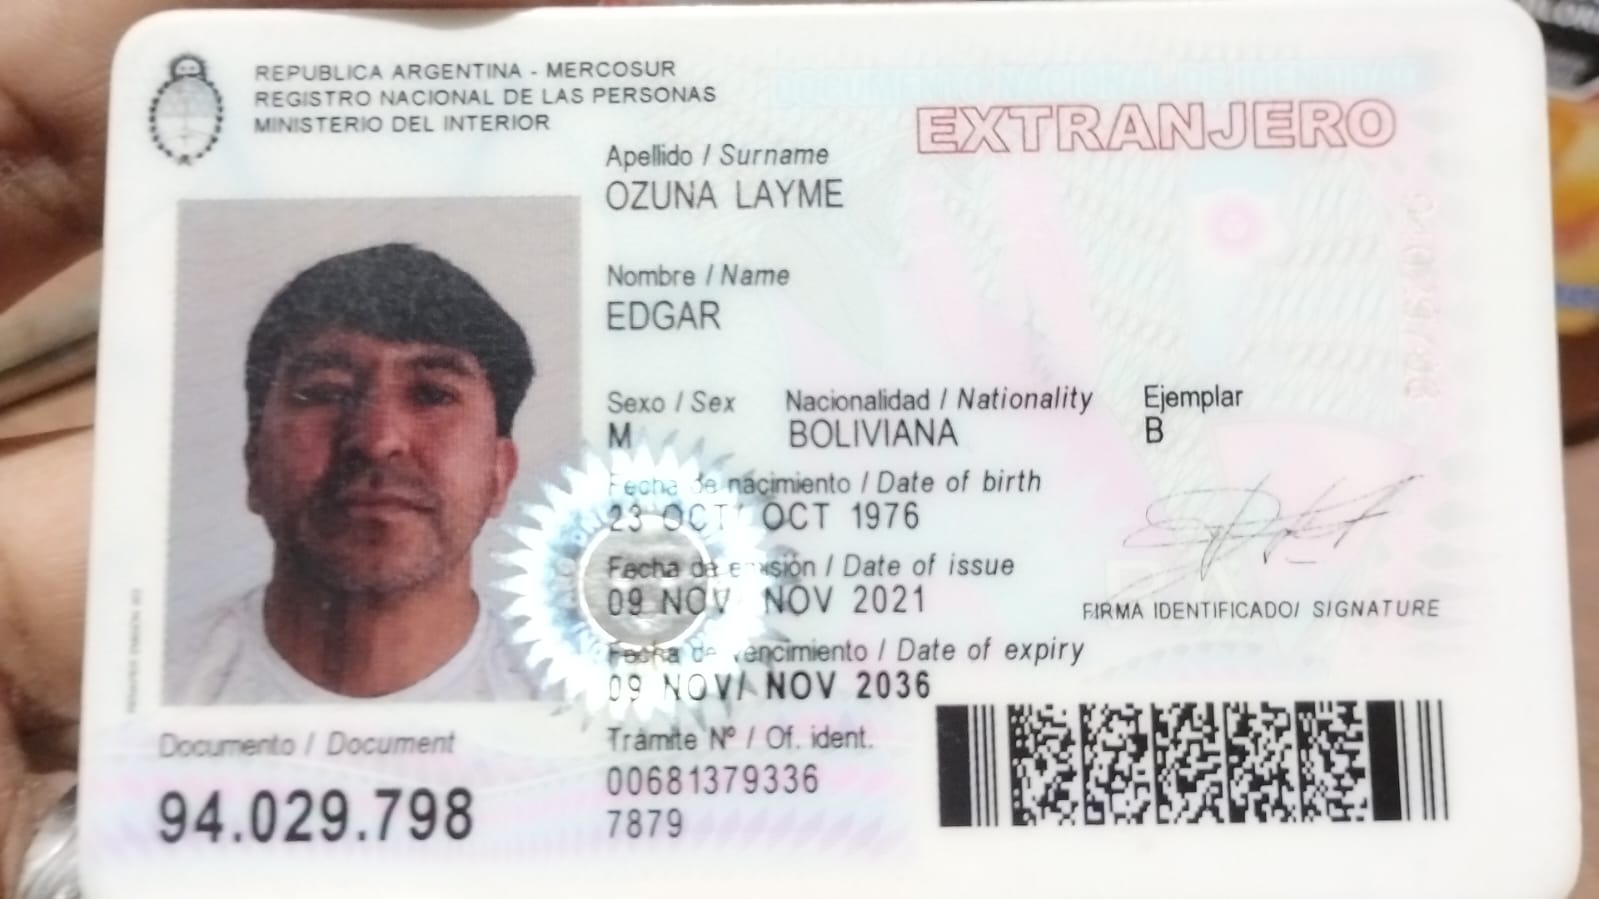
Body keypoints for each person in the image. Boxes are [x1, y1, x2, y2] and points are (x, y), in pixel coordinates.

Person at [181, 242, 537, 702]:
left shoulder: (577, 708)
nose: (377, 439)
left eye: (432, 394)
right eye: (326, 392)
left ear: (500, 473)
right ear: (254, 463)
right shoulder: (156, 688)